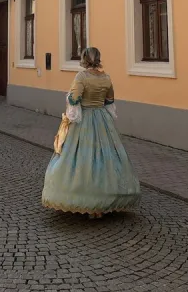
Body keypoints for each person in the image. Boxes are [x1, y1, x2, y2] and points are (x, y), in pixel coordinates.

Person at [42, 47, 141, 218]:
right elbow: (110, 100)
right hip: (102, 119)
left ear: (84, 59)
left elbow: (74, 99)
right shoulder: (106, 78)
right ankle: (104, 201)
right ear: (98, 59)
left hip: (85, 120)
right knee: (106, 158)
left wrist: (71, 99)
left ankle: (85, 200)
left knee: (80, 158)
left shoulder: (81, 77)